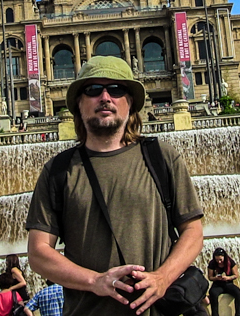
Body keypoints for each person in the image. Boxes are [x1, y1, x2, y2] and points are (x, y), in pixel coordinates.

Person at [26, 55, 204, 316]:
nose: (105, 97)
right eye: (94, 90)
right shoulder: (58, 171)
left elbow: (193, 231)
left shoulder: (161, 157)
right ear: (79, 103)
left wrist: (163, 278)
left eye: (117, 89)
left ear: (130, 102)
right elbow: (38, 252)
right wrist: (95, 281)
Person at [207, 247, 240, 316]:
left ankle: (239, 314)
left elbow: (236, 275)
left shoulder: (230, 262)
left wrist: (228, 278)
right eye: (217, 259)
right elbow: (210, 277)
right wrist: (216, 278)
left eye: (220, 259)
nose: (219, 261)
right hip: (217, 284)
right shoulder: (212, 263)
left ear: (224, 257)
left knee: (238, 293)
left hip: (228, 283)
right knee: (213, 293)